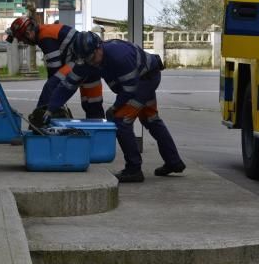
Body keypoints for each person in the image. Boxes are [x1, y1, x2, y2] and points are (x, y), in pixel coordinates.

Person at [48, 31, 185, 184]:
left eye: (92, 57)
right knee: (151, 120)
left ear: (99, 47)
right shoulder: (88, 59)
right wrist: (50, 108)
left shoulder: (119, 55)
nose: (91, 62)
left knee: (121, 120)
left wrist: (114, 108)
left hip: (144, 81)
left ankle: (134, 169)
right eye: (86, 59)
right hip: (141, 80)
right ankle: (174, 162)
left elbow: (129, 89)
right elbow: (68, 85)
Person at [6, 16, 104, 121]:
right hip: (91, 63)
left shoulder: (44, 37)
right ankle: (101, 132)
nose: (24, 43)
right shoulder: (47, 30)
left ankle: (39, 122)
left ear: (28, 34)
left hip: (80, 62)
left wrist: (54, 100)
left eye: (22, 39)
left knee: (51, 86)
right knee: (92, 102)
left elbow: (54, 71)